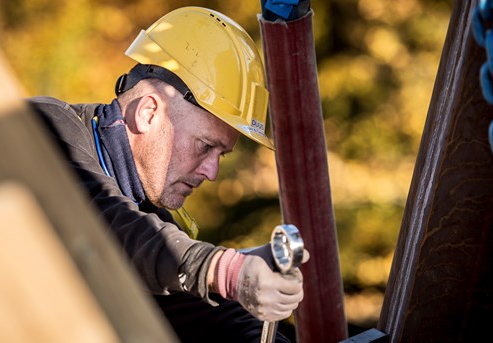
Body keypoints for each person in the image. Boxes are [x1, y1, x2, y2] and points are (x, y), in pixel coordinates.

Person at [28, 6, 305, 342]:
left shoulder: (148, 217)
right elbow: (104, 226)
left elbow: (213, 319)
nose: (212, 172)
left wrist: (245, 277)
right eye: (205, 146)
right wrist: (226, 270)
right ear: (148, 112)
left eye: (221, 155)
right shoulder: (44, 127)